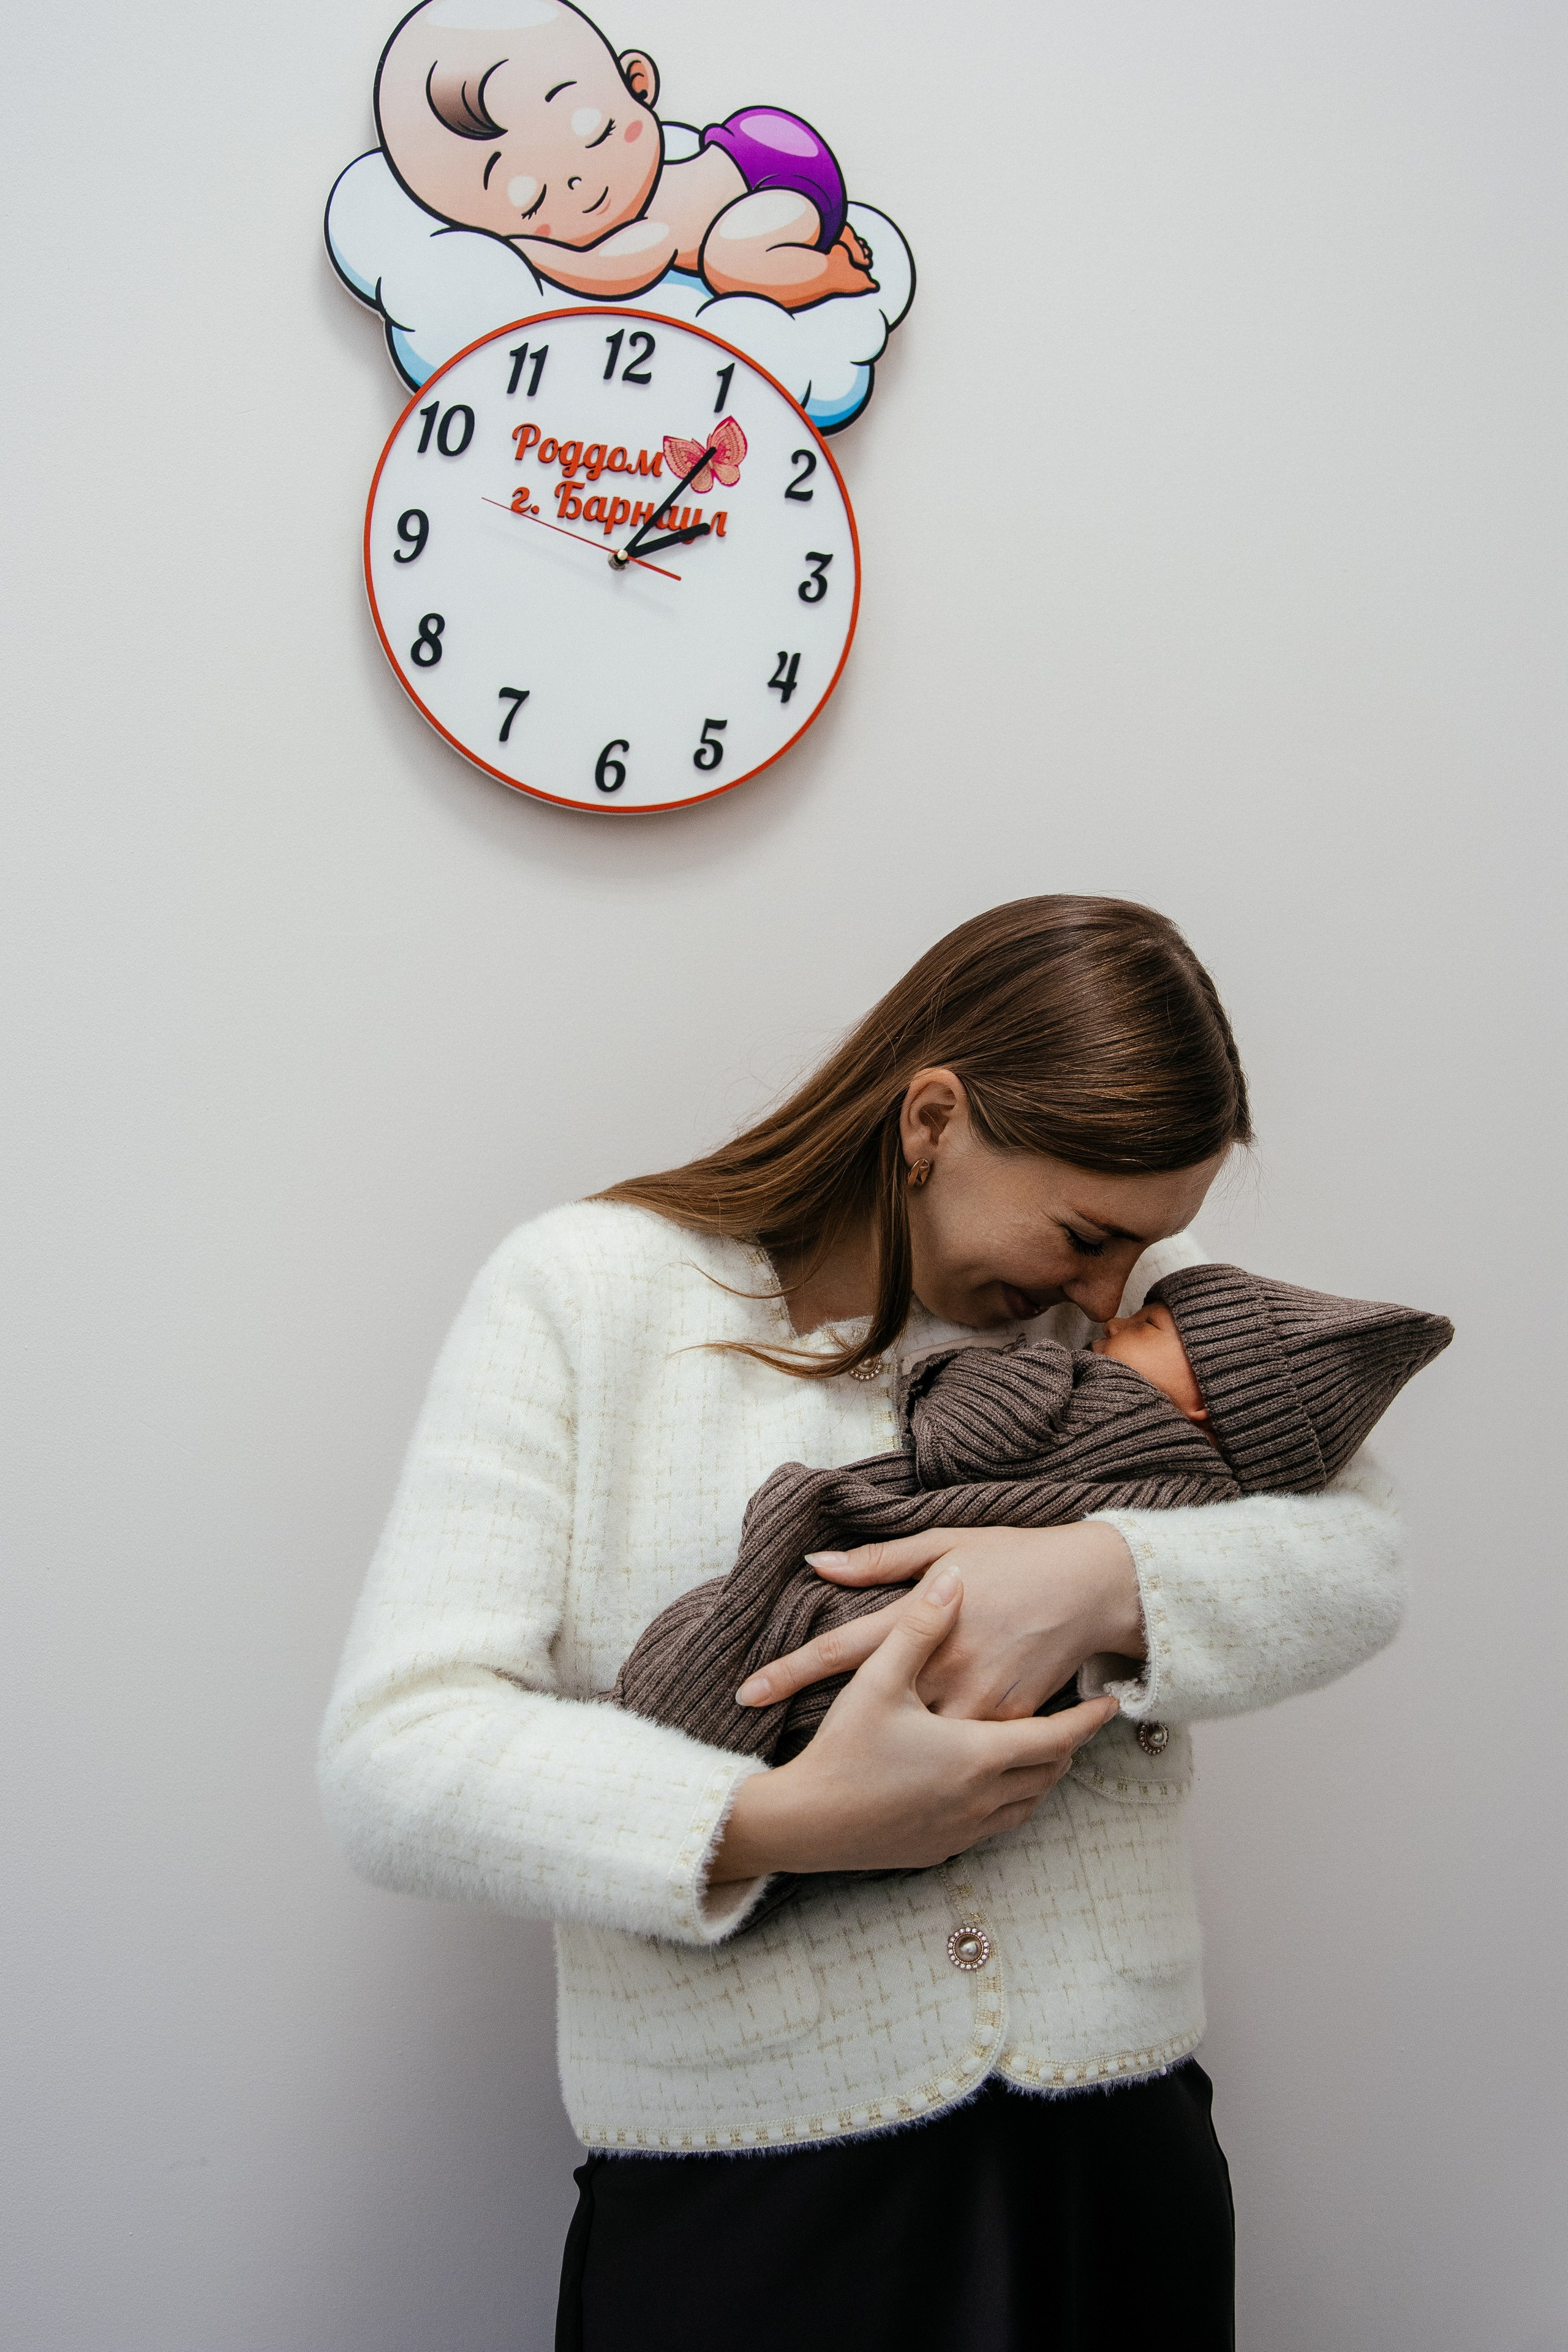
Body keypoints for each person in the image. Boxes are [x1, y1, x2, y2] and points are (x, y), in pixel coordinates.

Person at [318, 897, 1409, 2351]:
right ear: (932, 1118)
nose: (1104, 1294)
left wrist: (1094, 1581)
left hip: (1115, 2159)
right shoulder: (587, 1292)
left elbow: (1359, 1556)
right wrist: (772, 1817)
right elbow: (397, 1754)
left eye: (1140, 1248)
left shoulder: (1137, 1314)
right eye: (1083, 1232)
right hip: (757, 2201)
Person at [375, 0, 878, 307]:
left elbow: (612, 272)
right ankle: (818, 234)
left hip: (770, 171)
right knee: (737, 244)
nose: (576, 185)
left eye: (596, 132)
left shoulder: (650, 230)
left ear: (638, 84)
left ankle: (831, 270)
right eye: (532, 201)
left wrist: (524, 249)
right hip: (752, 153)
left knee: (729, 264)